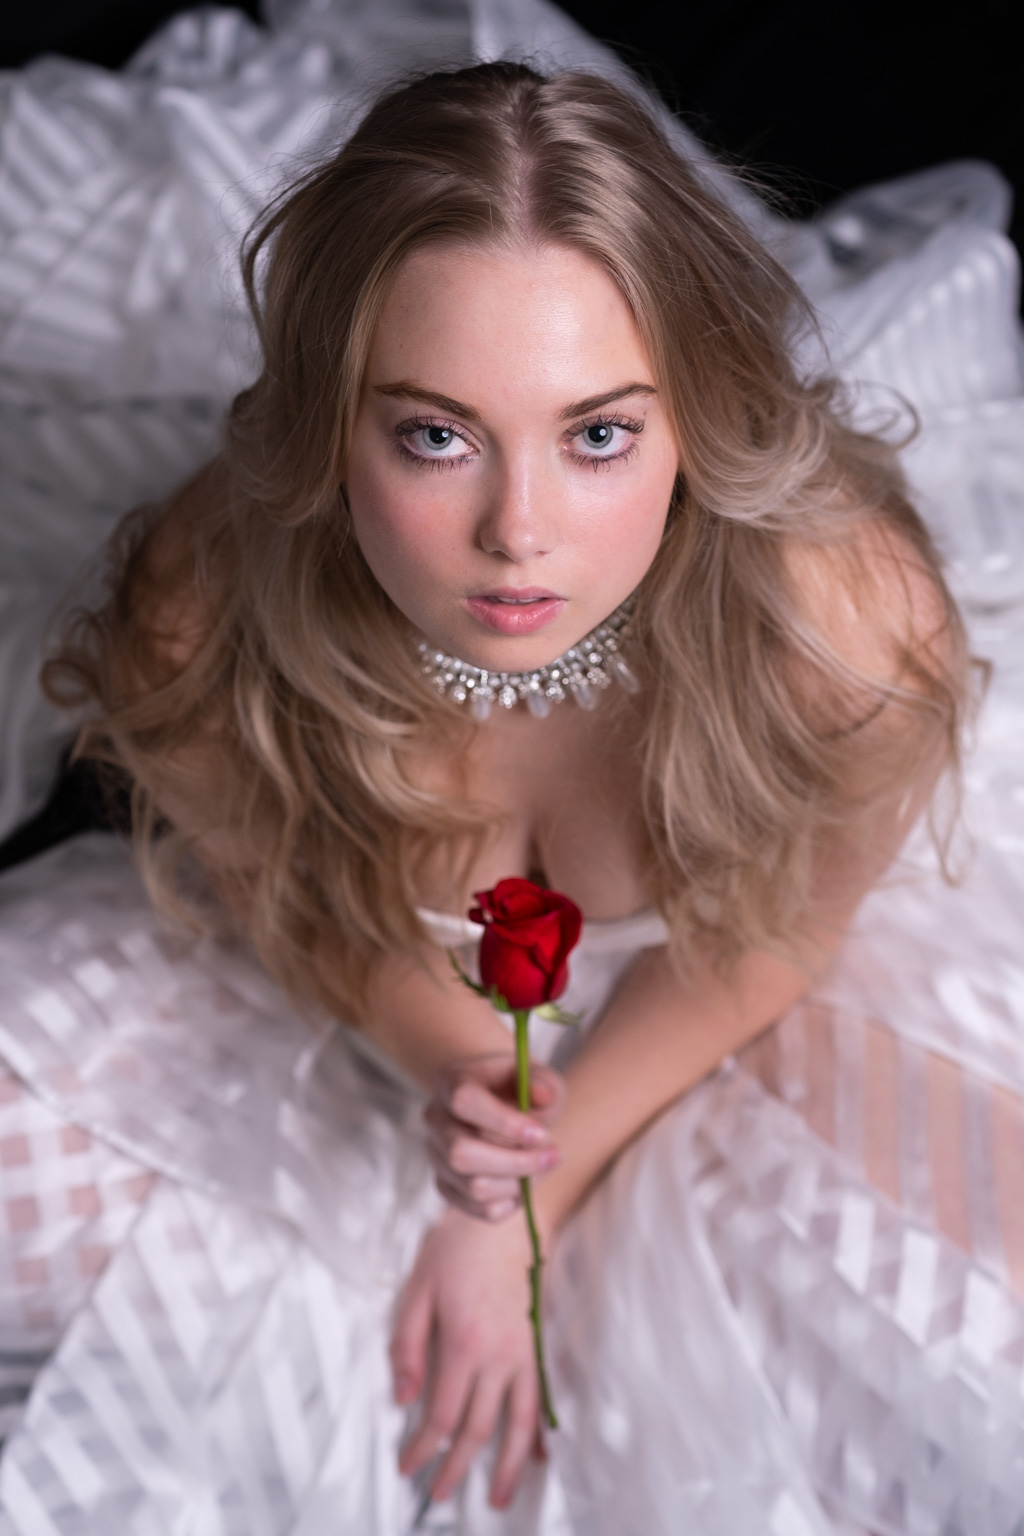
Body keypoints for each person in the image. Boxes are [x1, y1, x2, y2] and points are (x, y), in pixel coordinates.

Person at [1, 19, 1023, 1536]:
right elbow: (278, 889)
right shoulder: (201, 604)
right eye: (434, 436)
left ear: (694, 415)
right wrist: (454, 1073)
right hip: (348, 1005)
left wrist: (523, 1196)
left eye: (600, 434)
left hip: (722, 1019)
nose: (520, 535)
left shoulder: (843, 636)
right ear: (331, 427)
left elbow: (775, 939)